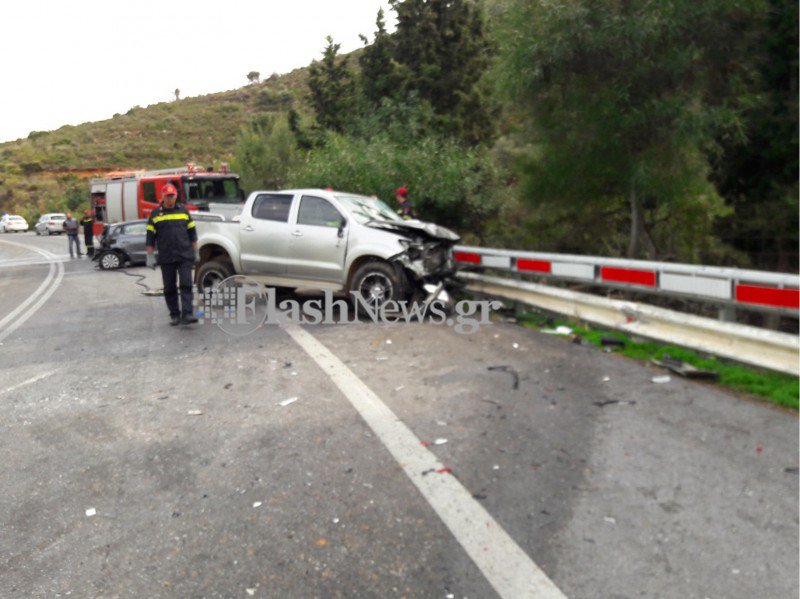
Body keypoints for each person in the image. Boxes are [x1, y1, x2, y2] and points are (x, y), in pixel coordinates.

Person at [145, 184, 199, 326]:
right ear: (162, 196)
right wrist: (150, 255)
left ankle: (187, 314)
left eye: (172, 195)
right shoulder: (155, 214)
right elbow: (150, 237)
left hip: (184, 254)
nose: (170, 198)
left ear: (176, 196)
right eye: (168, 196)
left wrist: (196, 251)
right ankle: (174, 315)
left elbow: (192, 233)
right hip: (167, 256)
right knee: (169, 287)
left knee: (186, 284)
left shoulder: (184, 211)